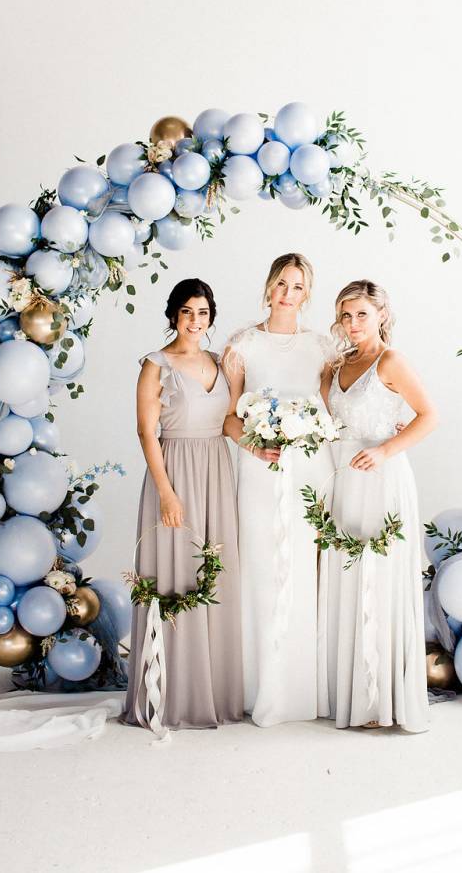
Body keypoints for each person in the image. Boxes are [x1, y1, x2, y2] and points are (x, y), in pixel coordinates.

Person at [121, 278, 243, 730]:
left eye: (203, 313)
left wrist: (264, 446)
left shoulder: (218, 362)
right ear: (174, 314)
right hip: (175, 472)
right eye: (187, 311)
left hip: (216, 469)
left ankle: (213, 691)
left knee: (216, 570)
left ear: (212, 317)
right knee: (177, 571)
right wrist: (167, 492)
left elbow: (228, 422)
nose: (195, 321)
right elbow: (145, 432)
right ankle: (172, 696)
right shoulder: (156, 365)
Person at [318, 279, 438, 732]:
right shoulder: (335, 366)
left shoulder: (392, 362)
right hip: (344, 481)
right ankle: (351, 694)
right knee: (348, 579)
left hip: (383, 479)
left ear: (382, 314)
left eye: (361, 314)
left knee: (381, 581)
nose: (352, 324)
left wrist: (385, 451)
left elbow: (429, 416)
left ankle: (383, 697)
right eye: (345, 315)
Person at [222, 253, 335, 727]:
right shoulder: (242, 346)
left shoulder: (323, 348)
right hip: (259, 470)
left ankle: (305, 690)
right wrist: (255, 441)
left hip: (310, 470)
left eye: (298, 286)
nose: (288, 293)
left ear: (308, 293)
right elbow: (227, 417)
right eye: (282, 284)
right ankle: (259, 684)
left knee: (307, 573)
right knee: (262, 570)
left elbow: (330, 416)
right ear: (269, 287)